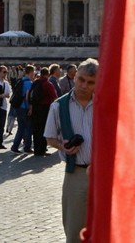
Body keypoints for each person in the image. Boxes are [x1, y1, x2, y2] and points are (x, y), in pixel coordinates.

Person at [45, 58, 99, 243]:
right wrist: (62, 147)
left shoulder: (105, 105)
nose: (84, 85)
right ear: (75, 77)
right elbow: (50, 137)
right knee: (74, 229)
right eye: (81, 79)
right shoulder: (59, 106)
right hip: (75, 173)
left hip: (103, 176)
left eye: (91, 82)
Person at [29, 67, 57, 156]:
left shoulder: (35, 82)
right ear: (48, 74)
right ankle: (42, 149)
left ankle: (37, 149)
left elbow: (30, 95)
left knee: (36, 129)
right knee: (44, 129)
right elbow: (55, 97)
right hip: (45, 108)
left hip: (35, 108)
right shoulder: (48, 84)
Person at [10, 65, 35, 154]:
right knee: (27, 127)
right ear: (31, 72)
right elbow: (28, 97)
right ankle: (26, 147)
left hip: (18, 106)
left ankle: (15, 146)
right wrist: (30, 108)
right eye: (33, 72)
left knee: (21, 127)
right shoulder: (28, 83)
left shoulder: (20, 80)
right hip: (24, 107)